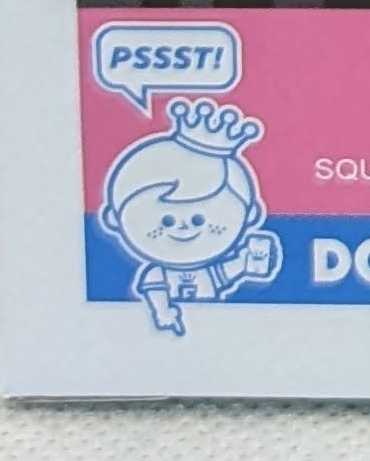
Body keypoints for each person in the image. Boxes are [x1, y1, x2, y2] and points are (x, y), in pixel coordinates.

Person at [95, 100, 281, 334]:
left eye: (198, 220)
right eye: (167, 221)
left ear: (250, 216)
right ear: (114, 219)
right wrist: (163, 312)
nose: (183, 227)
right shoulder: (158, 273)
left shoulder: (209, 272)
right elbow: (156, 293)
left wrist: (248, 262)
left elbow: (231, 271)